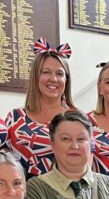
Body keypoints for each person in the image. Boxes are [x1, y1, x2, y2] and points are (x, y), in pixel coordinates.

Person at [5, 39, 75, 176]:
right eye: (46, 72)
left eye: (59, 73)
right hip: (21, 189)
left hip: (64, 189)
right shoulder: (14, 118)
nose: (53, 79)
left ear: (66, 80)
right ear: (35, 76)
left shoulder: (76, 119)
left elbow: (85, 168)